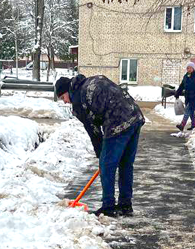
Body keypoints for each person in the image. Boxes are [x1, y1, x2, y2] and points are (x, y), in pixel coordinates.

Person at [55, 74, 144, 218]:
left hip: (118, 121)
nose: (65, 102)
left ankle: (108, 206)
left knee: (107, 165)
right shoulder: (90, 82)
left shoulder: (78, 99)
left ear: (67, 91)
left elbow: (93, 130)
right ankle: (125, 205)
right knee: (126, 164)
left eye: (62, 98)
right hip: (135, 116)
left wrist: (101, 154)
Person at [173, 61, 195, 132]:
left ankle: (182, 125)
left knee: (187, 110)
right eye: (187, 68)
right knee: (191, 111)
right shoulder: (186, 76)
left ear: (193, 68)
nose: (188, 69)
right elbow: (182, 86)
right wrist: (177, 93)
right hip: (188, 97)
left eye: (190, 68)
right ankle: (194, 124)